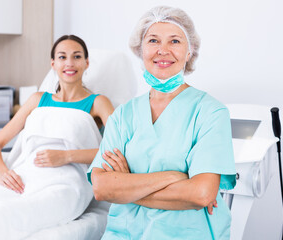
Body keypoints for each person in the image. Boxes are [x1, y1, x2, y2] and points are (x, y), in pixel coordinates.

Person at [0, 35, 114, 240]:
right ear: (53, 64)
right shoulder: (38, 100)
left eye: (76, 57)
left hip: (65, 186)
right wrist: (3, 172)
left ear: (86, 63)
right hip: (25, 180)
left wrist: (67, 156)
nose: (69, 63)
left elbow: (116, 150)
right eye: (62, 57)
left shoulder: (98, 103)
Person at [88, 6, 236, 240]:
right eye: (153, 40)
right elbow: (102, 188)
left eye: (175, 41)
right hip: (124, 234)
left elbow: (201, 194)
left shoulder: (210, 112)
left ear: (190, 51)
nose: (163, 50)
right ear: (141, 49)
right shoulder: (123, 115)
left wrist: (126, 187)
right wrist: (175, 177)